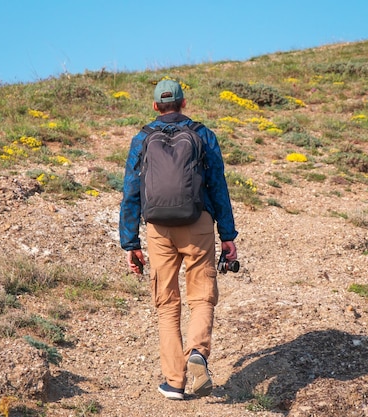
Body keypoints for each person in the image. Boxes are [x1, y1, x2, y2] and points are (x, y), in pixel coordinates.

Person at [119, 79, 238, 400]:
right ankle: (198, 352)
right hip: (198, 221)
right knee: (201, 296)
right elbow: (218, 186)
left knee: (167, 304)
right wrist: (227, 235)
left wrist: (130, 243)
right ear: (184, 103)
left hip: (158, 228)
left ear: (156, 106)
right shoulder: (202, 135)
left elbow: (131, 192)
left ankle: (174, 381)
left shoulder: (142, 138)